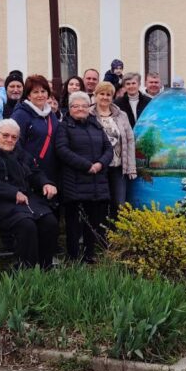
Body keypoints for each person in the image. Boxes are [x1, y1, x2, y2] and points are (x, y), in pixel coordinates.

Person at [0, 119, 58, 269]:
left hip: (26, 199)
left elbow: (35, 172)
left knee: (50, 222)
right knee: (26, 224)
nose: (10, 140)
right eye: (5, 135)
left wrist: (46, 183)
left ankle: (45, 267)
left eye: (14, 137)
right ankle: (26, 270)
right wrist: (12, 192)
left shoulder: (20, 153)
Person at [55, 91, 113, 262]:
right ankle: (73, 257)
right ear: (70, 108)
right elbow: (62, 150)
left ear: (89, 107)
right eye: (76, 106)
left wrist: (100, 164)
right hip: (75, 182)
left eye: (84, 106)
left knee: (94, 221)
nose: (80, 109)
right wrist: (87, 166)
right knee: (74, 222)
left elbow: (108, 148)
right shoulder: (63, 126)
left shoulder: (95, 125)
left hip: (96, 181)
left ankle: (89, 255)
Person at [90, 80, 136, 218]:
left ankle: (117, 237)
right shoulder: (89, 115)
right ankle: (100, 236)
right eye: (102, 94)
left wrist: (131, 167)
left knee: (119, 204)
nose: (105, 97)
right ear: (95, 95)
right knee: (99, 204)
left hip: (118, 166)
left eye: (108, 94)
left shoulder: (122, 115)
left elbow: (129, 140)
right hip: (97, 168)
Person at [11, 75, 61, 184]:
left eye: (43, 91)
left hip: (51, 169)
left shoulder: (51, 115)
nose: (40, 95)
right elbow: (15, 143)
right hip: (30, 171)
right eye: (35, 92)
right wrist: (28, 161)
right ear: (28, 95)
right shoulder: (20, 114)